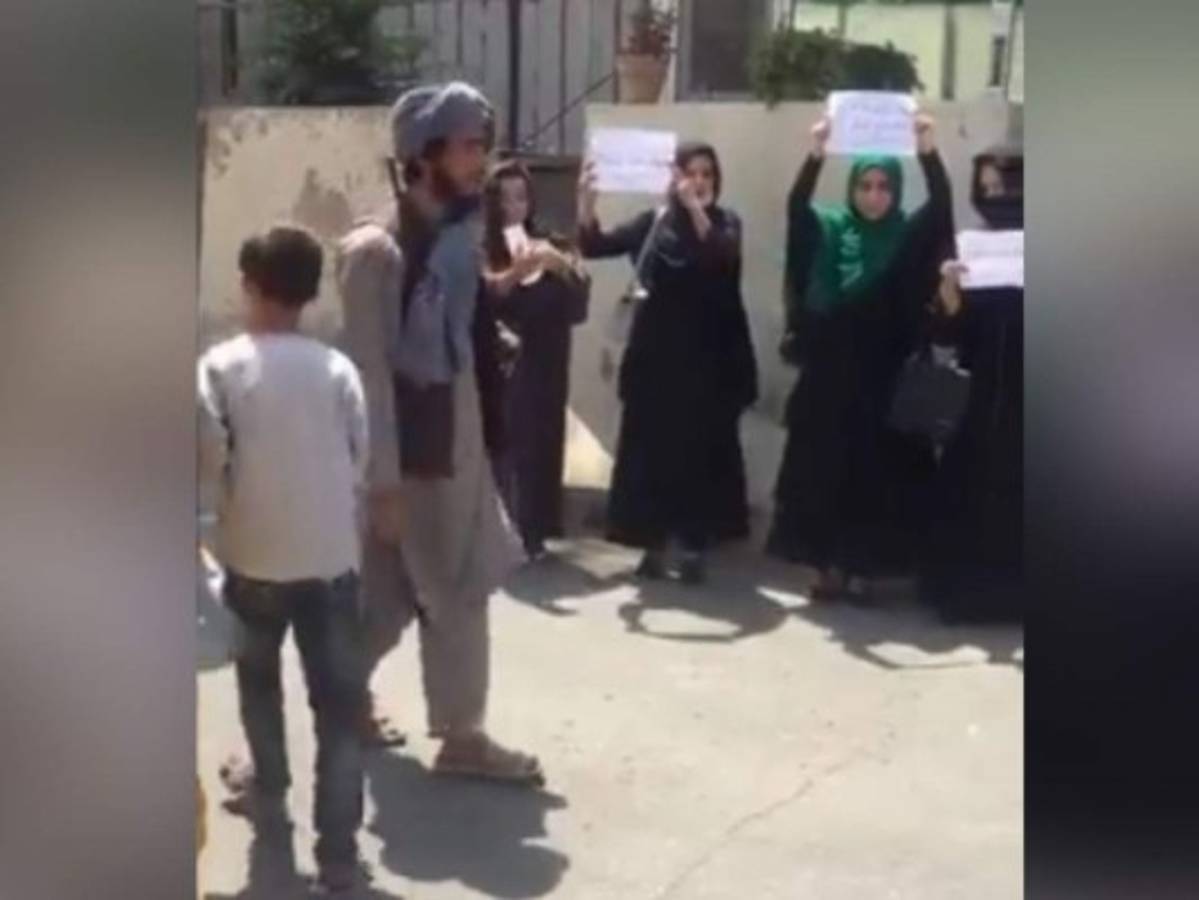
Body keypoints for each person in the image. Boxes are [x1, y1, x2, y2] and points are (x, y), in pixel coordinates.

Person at [337, 81, 543, 784]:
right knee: (445, 589)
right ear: (421, 155)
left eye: (481, 144)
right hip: (411, 456)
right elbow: (367, 376)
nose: (479, 158)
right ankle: (461, 736)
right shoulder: (377, 253)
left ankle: (343, 701)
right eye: (464, 145)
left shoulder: (457, 233)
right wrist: (383, 484)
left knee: (397, 597)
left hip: (458, 440)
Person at [198, 225, 371, 893]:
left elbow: (208, 456)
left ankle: (270, 796)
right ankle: (338, 858)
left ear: (247, 284)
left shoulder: (220, 366)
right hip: (330, 561)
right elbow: (359, 459)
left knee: (259, 688)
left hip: (251, 559)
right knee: (338, 709)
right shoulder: (337, 369)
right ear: (309, 293)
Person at [767, 113, 953, 601]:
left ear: (894, 192)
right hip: (829, 381)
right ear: (852, 188)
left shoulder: (905, 236)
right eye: (865, 186)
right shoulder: (830, 229)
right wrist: (816, 154)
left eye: (883, 187)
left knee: (879, 477)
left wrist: (928, 150)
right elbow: (796, 207)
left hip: (885, 383)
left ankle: (865, 567)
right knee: (825, 472)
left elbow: (941, 208)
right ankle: (828, 566)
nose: (873, 196)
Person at [577, 141, 758, 584]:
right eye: (691, 174)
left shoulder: (726, 222)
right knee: (650, 453)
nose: (699, 182)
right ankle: (652, 544)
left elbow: (719, 253)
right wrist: (586, 202)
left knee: (702, 453)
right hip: (657, 359)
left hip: (710, 361)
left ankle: (695, 545)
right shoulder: (654, 223)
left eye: (707, 175)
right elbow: (597, 245)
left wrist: (696, 209)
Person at [920, 142, 1023, 623]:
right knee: (969, 490)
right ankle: (962, 595)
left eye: (1007, 186)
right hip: (977, 397)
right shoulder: (971, 248)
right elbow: (949, 332)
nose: (996, 195)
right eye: (987, 187)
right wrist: (948, 292)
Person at [481, 159, 591, 561]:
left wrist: (559, 265)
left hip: (547, 361)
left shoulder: (550, 243)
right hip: (501, 365)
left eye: (521, 197)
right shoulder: (481, 247)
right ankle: (501, 532)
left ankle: (536, 531)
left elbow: (578, 306)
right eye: (504, 198)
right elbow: (481, 300)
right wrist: (513, 274)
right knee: (507, 447)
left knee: (542, 445)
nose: (514, 207)